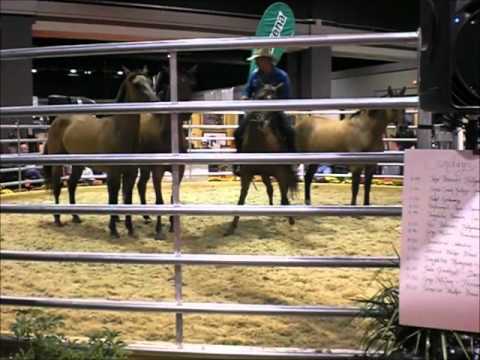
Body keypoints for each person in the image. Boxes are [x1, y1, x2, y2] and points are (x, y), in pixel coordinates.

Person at [233, 48, 296, 174]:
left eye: (259, 60)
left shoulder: (281, 76)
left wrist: (275, 101)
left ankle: (291, 161)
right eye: (256, 60)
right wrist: (245, 96)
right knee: (238, 132)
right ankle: (239, 162)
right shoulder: (255, 74)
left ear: (267, 60)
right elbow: (248, 90)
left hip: (275, 110)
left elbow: (287, 96)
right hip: (256, 110)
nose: (257, 62)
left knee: (289, 132)